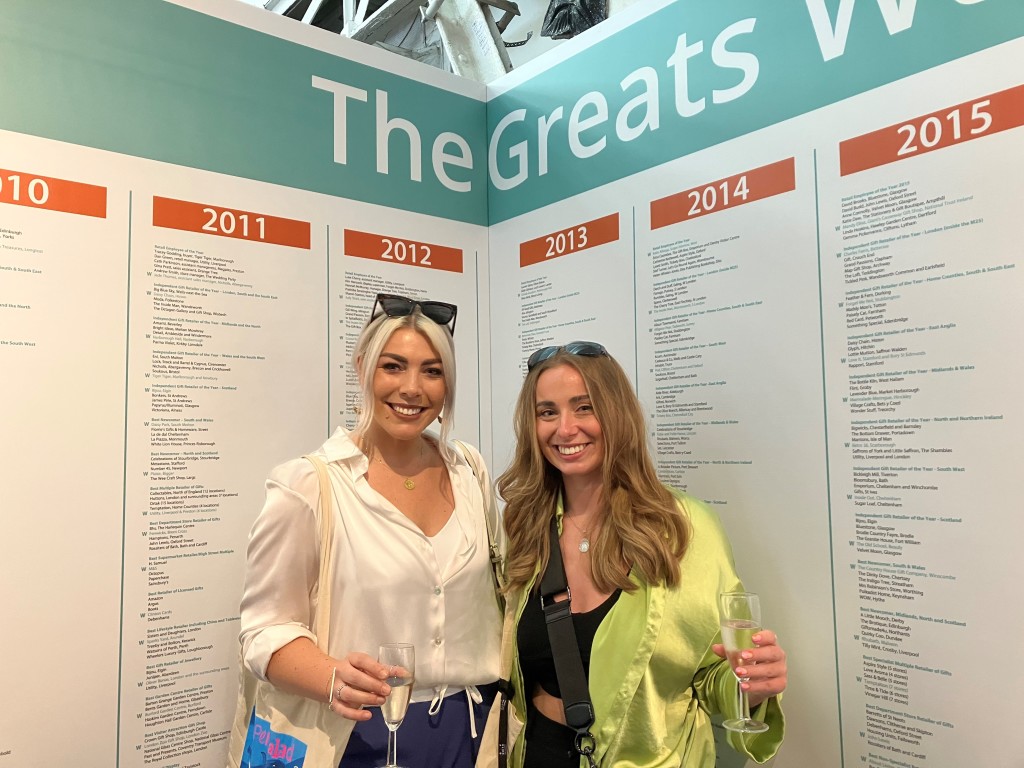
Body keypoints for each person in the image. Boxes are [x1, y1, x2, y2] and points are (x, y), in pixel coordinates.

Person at [238, 293, 503, 767]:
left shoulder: (470, 472)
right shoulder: (309, 486)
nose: (412, 388)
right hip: (356, 737)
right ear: (363, 368)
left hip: (470, 734)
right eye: (393, 366)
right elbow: (264, 630)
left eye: (432, 371)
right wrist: (330, 676)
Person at [495, 341, 787, 767]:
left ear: (616, 414)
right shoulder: (526, 528)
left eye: (584, 407)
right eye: (547, 412)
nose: (565, 429)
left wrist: (752, 688)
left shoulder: (682, 530)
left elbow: (711, 675)